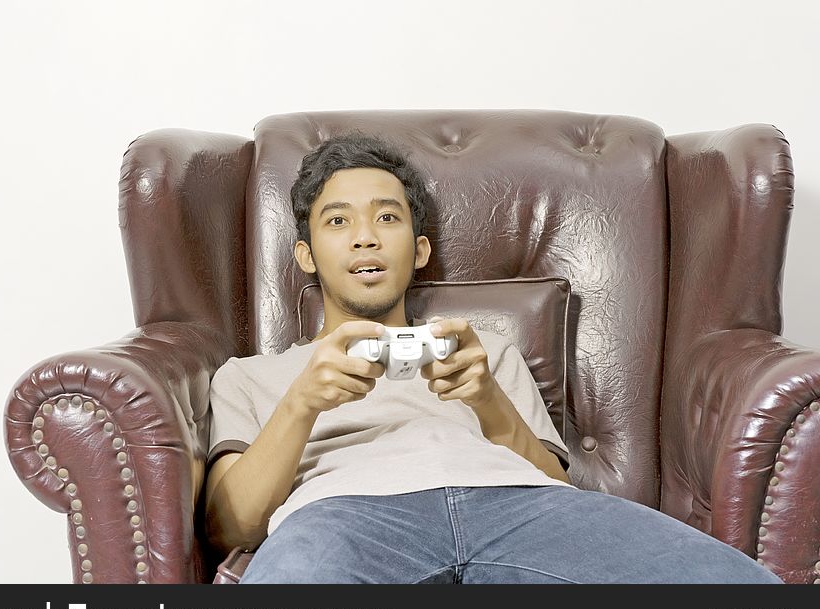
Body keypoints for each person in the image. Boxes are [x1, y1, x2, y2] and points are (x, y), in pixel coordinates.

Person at [204, 132, 782, 584]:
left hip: (515, 507)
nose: (365, 238)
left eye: (388, 217)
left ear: (420, 248)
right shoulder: (251, 377)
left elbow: (553, 481)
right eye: (338, 221)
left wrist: (487, 400)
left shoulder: (487, 355)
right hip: (341, 515)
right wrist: (301, 403)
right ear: (305, 255)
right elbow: (232, 525)